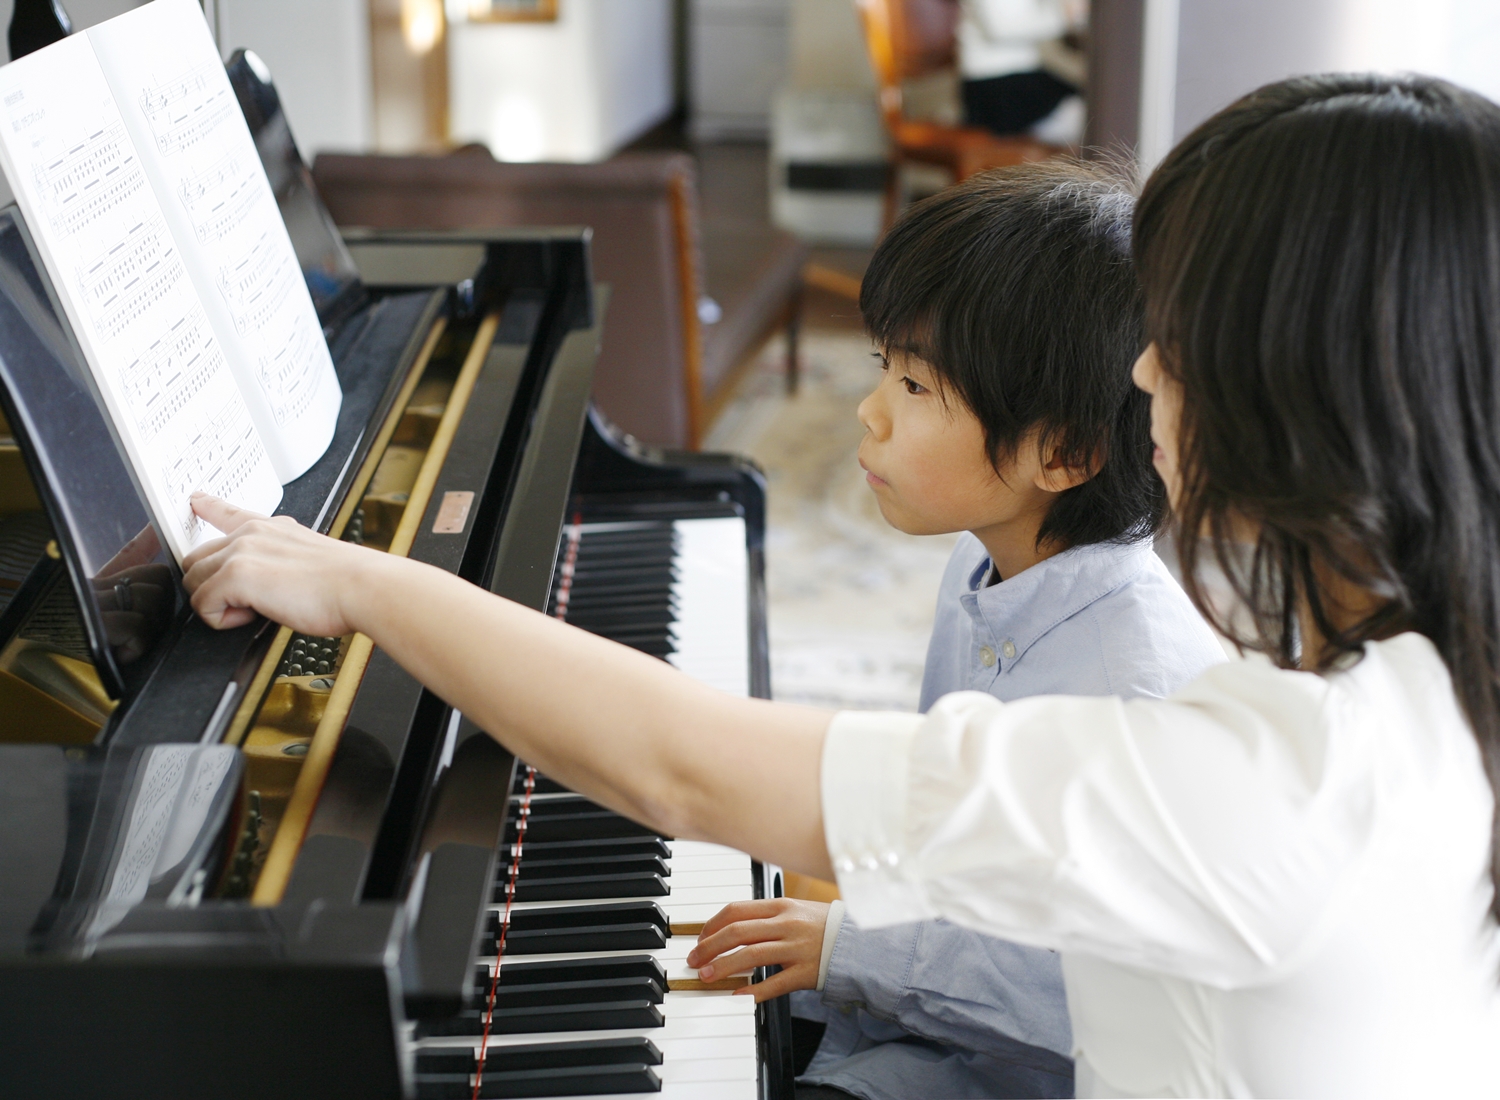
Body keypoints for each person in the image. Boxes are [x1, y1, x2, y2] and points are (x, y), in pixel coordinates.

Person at [184, 72, 1500, 1096]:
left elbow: (684, 770)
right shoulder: (1416, 682)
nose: (1147, 375)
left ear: (1311, 390)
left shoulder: (1268, 783)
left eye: (1180, 338)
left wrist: (370, 583)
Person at [688, 162, 1224, 1100]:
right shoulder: (983, 566)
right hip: (926, 1012)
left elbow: (1082, 1003)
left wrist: (852, 948)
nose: (869, 408)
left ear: (1063, 453)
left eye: (917, 385)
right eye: (881, 368)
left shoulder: (1136, 698)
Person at [958, 0, 1084, 144]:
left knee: (1091, 103)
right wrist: (1065, 16)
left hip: (1023, 75)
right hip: (993, 82)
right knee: (1086, 113)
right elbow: (1002, 28)